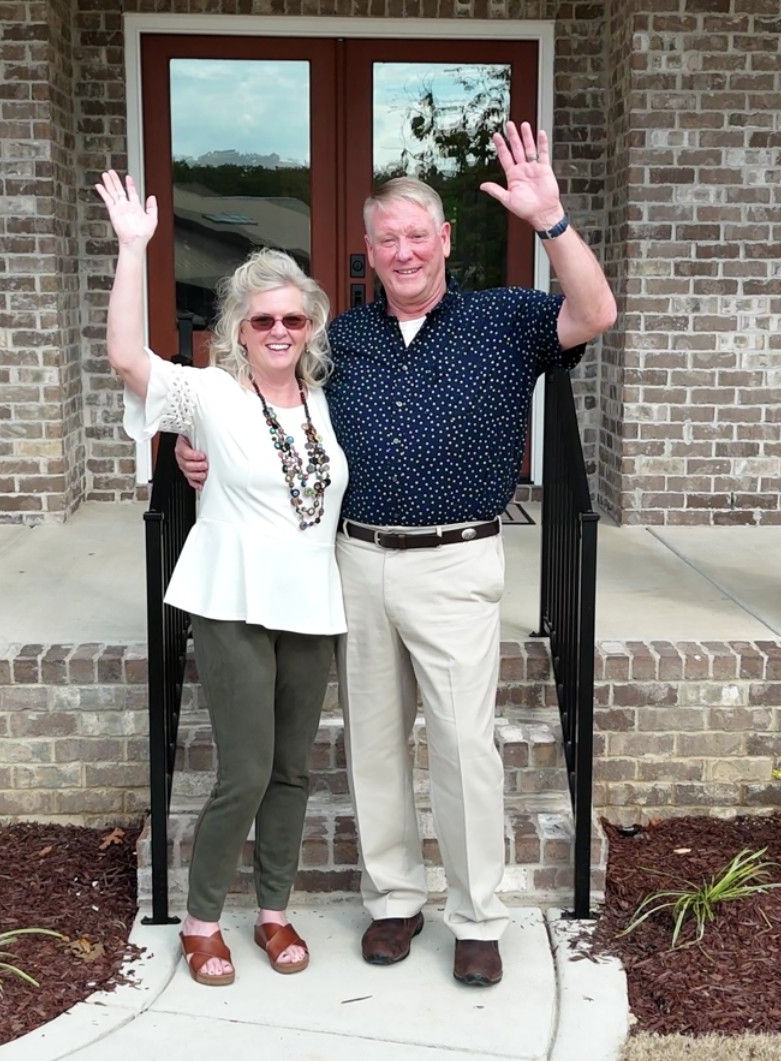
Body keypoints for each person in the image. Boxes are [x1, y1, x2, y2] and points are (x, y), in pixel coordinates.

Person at [178, 121, 617, 987]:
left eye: (419, 235)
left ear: (444, 240)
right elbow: (260, 395)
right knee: (372, 744)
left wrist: (552, 221)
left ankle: (477, 914)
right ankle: (393, 902)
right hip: (355, 559)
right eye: (388, 239)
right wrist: (197, 450)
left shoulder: (506, 318)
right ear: (370, 252)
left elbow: (595, 312)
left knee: (462, 745)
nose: (405, 251)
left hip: (456, 560)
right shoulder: (341, 340)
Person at [95, 170, 349, 986]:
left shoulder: (323, 400)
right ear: (238, 327)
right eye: (262, 317)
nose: (278, 329)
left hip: (311, 599)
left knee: (293, 769)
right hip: (233, 597)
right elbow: (125, 356)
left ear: (310, 328)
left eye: (293, 317)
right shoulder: (206, 392)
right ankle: (203, 921)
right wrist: (133, 248)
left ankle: (274, 911)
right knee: (242, 769)